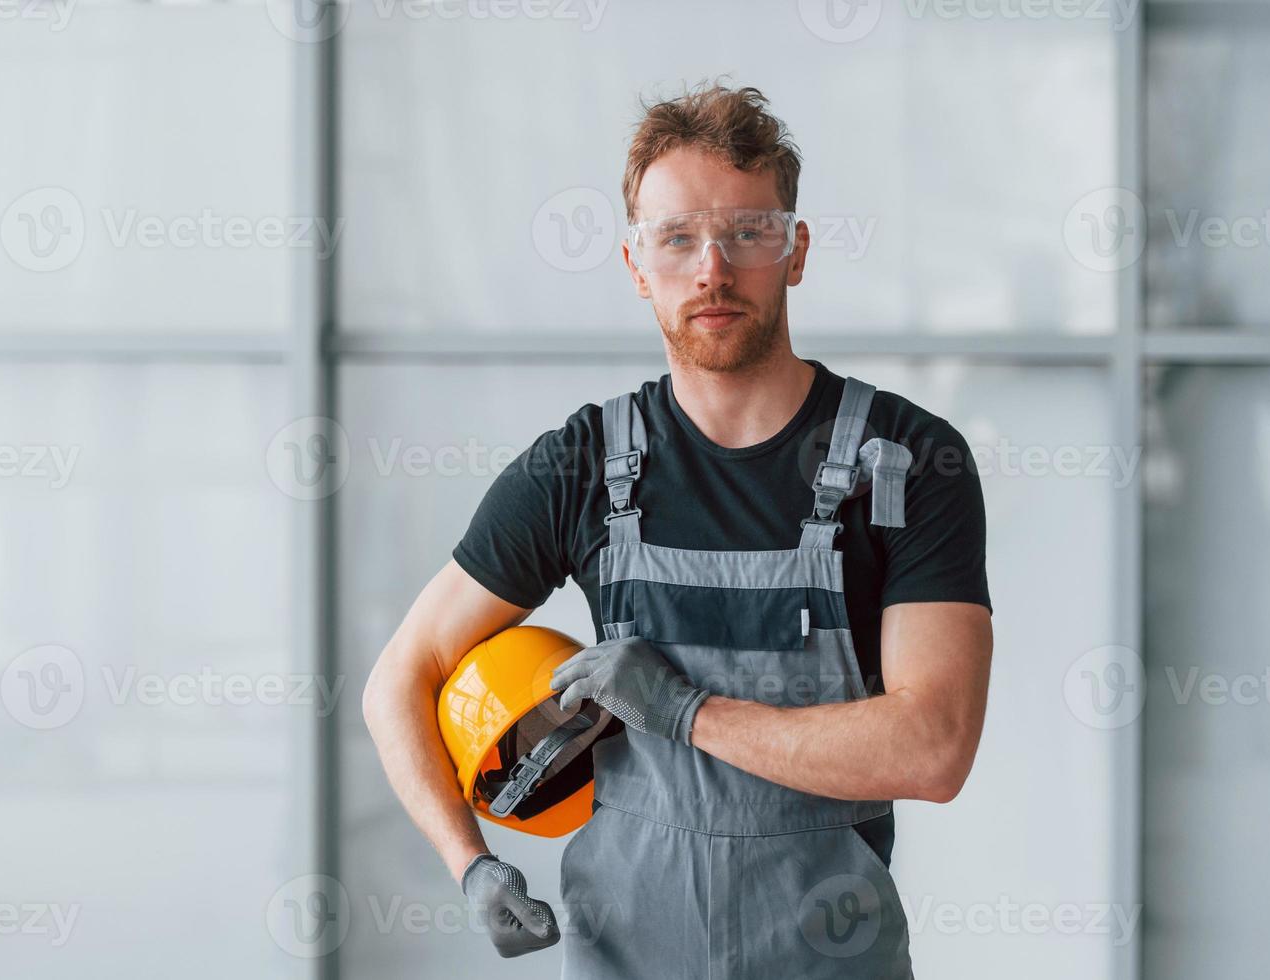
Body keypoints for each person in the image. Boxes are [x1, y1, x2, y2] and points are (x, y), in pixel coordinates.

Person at [362, 80, 994, 979]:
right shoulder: (578, 467)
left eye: (747, 232)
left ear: (796, 250)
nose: (712, 270)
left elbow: (933, 749)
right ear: (634, 263)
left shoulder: (904, 461)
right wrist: (470, 866)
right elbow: (400, 680)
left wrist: (687, 713)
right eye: (678, 238)